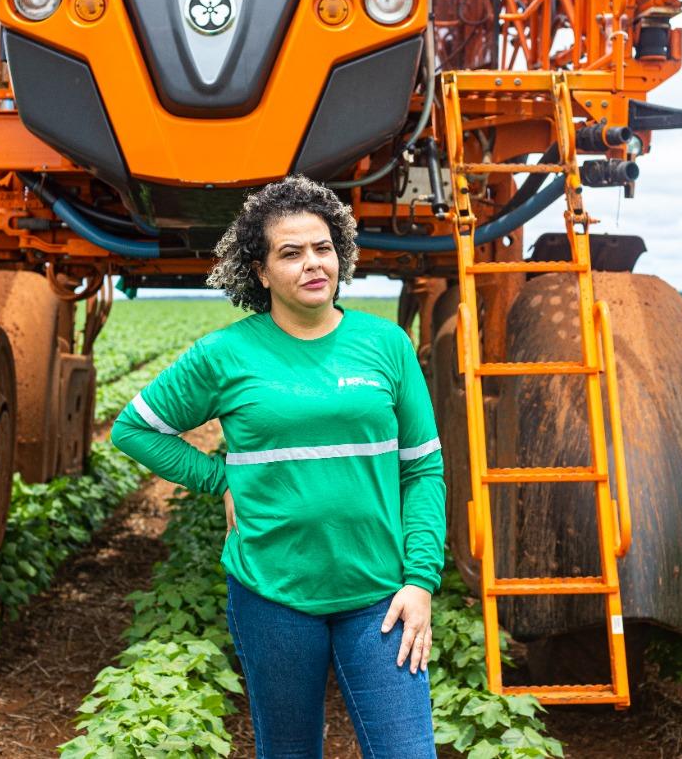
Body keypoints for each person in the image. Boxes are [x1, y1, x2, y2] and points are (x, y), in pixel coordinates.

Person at [110, 175, 445, 758]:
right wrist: (222, 479)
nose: (313, 263)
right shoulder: (226, 354)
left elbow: (421, 470)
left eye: (323, 247)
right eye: (290, 253)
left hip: (381, 595)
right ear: (260, 272)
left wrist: (420, 580)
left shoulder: (385, 343)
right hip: (272, 595)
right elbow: (133, 429)